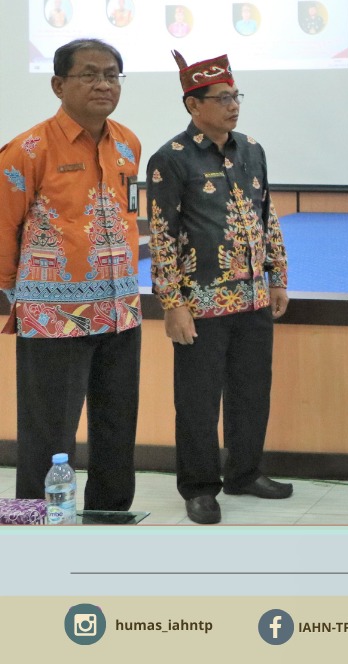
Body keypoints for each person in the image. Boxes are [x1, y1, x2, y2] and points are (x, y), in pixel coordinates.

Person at [147, 51, 291, 524]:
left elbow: (267, 215)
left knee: (252, 391)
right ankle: (199, 487)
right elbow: (162, 236)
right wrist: (172, 304)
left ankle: (245, 473)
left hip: (252, 298)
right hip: (200, 303)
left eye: (236, 96)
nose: (234, 106)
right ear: (194, 104)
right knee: (198, 400)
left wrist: (277, 277)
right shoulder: (170, 158)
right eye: (223, 98)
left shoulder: (252, 149)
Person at [0, 39, 141, 509]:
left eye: (112, 75)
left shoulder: (127, 142)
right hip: (54, 316)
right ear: (59, 85)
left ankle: (110, 513)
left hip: (121, 310)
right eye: (90, 74)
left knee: (117, 424)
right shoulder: (27, 149)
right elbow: (3, 226)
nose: (104, 84)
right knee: (49, 430)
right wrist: (10, 296)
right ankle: (41, 522)